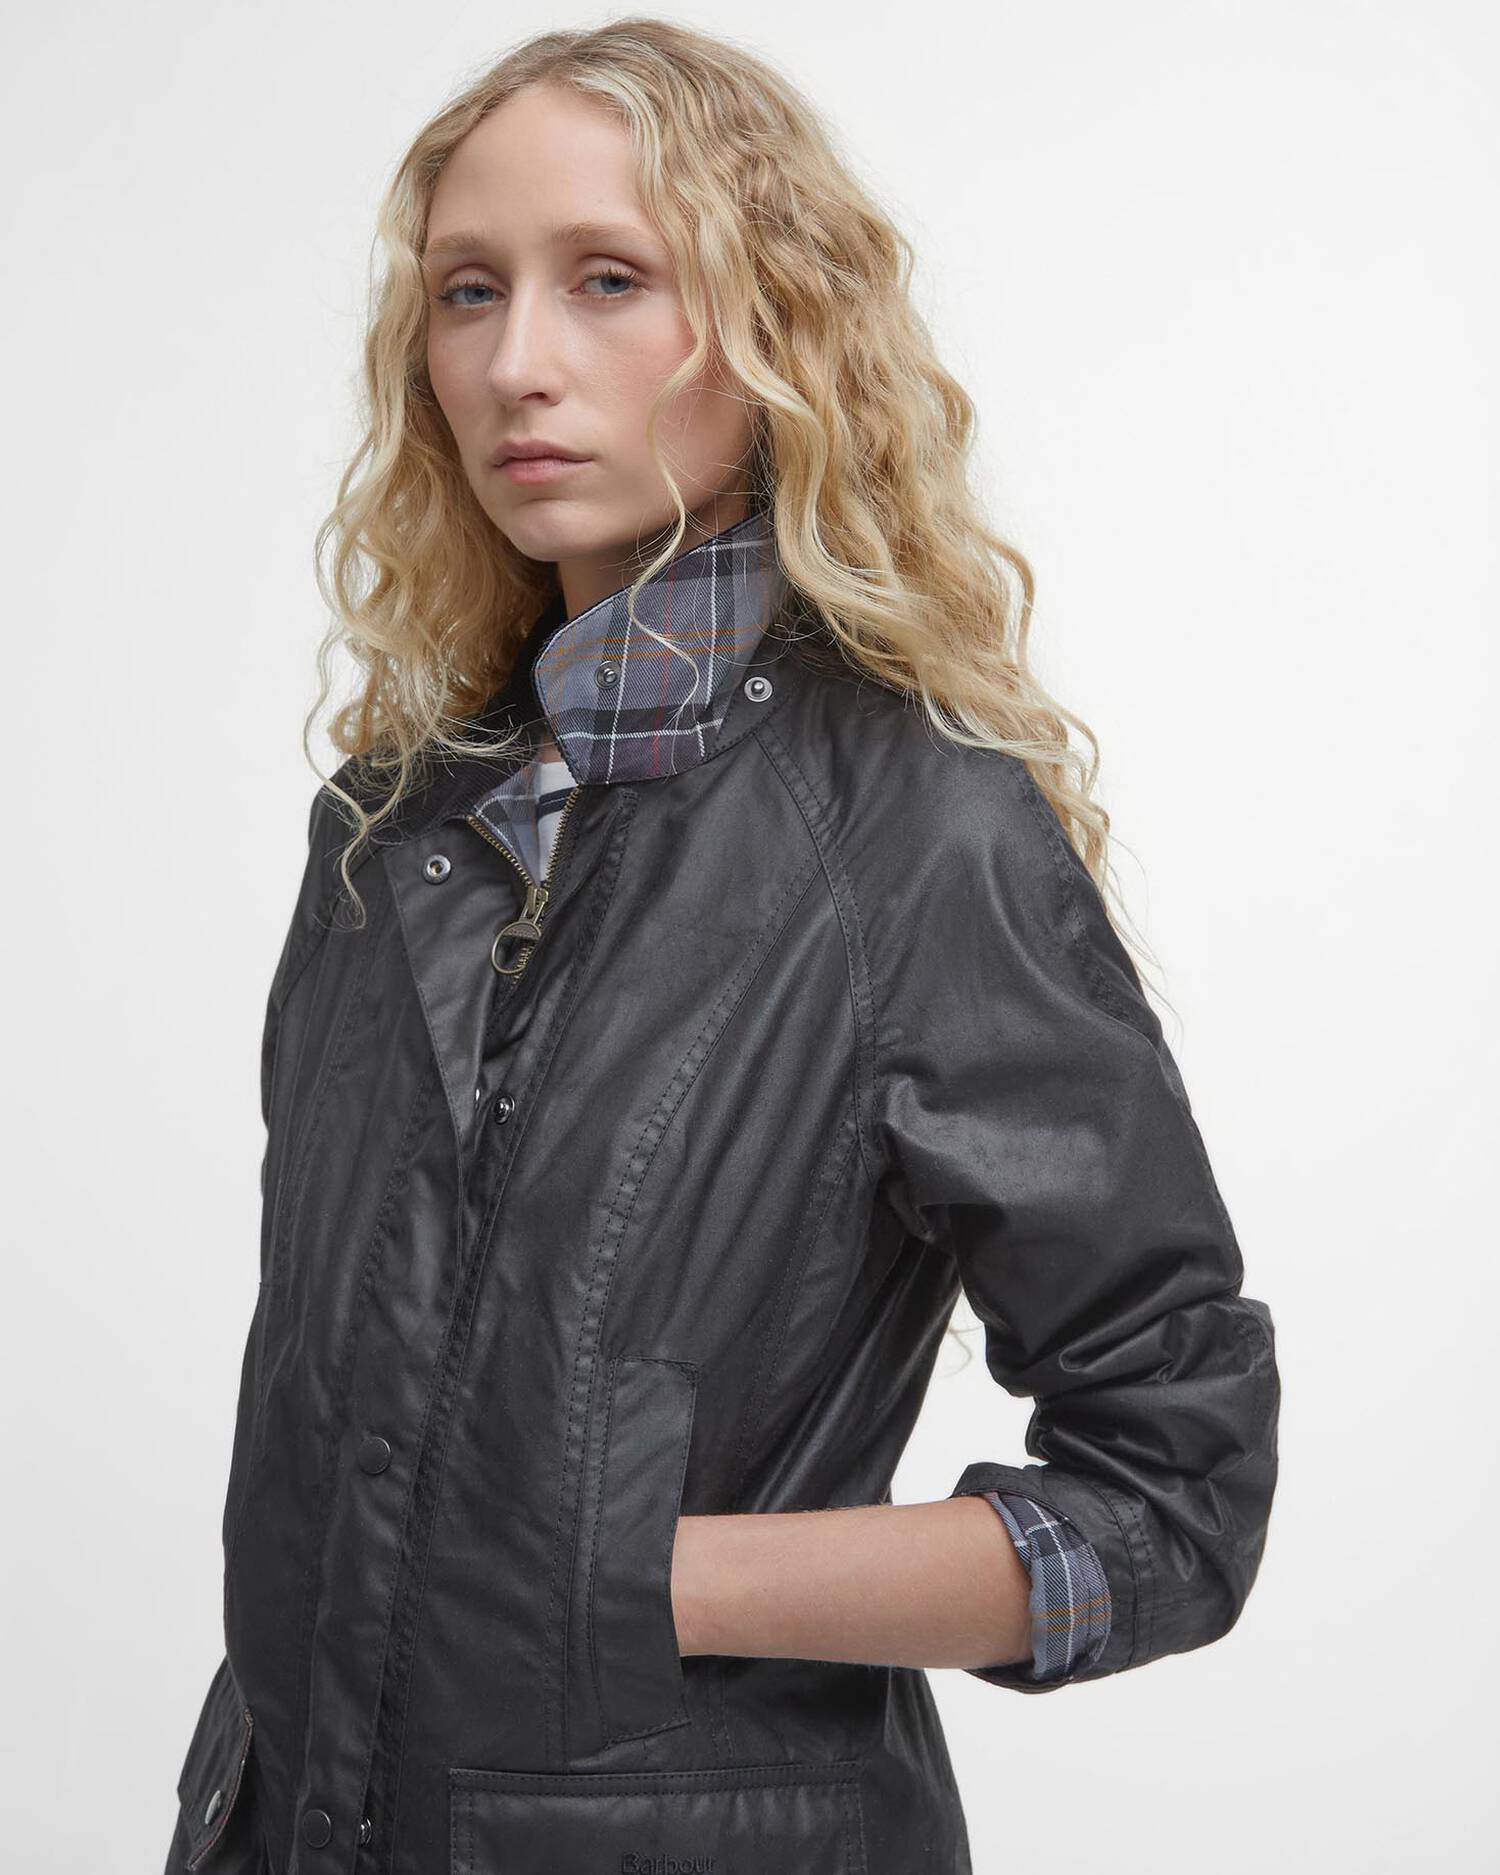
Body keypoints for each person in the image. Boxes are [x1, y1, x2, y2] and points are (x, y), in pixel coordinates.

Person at [162, 19, 1279, 1874]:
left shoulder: (915, 836)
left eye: (609, 280)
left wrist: (642, 1579)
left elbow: (1176, 1492)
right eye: (467, 292)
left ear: (777, 329)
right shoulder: (385, 830)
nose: (516, 362)